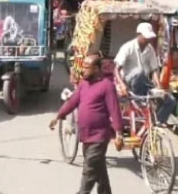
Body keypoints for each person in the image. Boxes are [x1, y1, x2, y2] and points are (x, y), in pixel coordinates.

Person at [50, 56, 123, 194]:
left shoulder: (107, 86)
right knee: (99, 170)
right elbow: (72, 102)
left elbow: (114, 110)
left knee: (89, 171)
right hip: (86, 136)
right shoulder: (84, 84)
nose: (83, 70)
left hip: (99, 137)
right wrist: (58, 116)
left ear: (96, 69)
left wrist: (119, 133)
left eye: (86, 67)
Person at [113, 23, 174, 125]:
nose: (148, 40)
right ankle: (140, 102)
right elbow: (116, 69)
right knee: (140, 72)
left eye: (149, 38)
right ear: (139, 35)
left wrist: (159, 88)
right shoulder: (128, 47)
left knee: (170, 100)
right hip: (129, 83)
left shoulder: (150, 49)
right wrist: (122, 85)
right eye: (146, 37)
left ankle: (157, 121)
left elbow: (154, 70)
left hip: (144, 83)